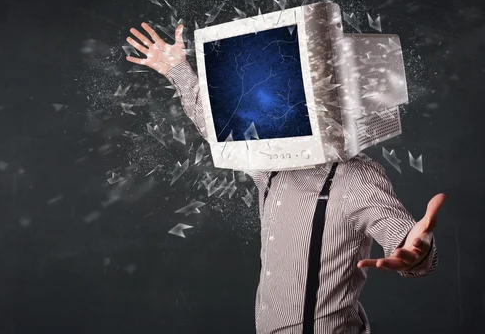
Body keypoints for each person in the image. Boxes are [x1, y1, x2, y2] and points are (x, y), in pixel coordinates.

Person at [125, 22, 445, 334]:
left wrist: (416, 254)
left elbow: (404, 237)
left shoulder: (354, 177)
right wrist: (178, 70)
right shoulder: (271, 167)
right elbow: (219, 130)